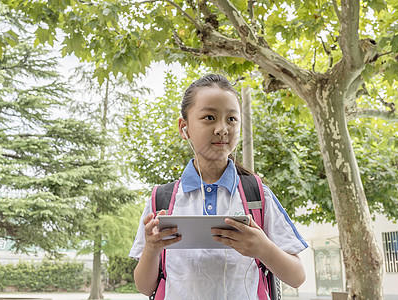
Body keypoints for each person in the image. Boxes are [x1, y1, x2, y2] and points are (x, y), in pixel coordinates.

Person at [129, 74, 307, 299]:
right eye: (209, 117)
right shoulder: (162, 200)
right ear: (184, 128)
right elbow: (145, 287)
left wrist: (263, 249)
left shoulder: (258, 195)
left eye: (231, 119)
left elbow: (297, 277)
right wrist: (152, 249)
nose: (222, 128)